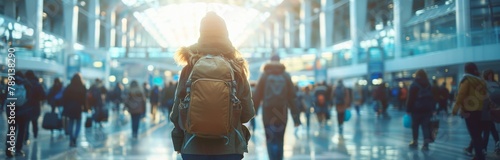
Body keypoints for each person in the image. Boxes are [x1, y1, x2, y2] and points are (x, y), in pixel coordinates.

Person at [170, 12, 255, 160]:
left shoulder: (190, 67)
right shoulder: (236, 68)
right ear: (225, 34)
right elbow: (247, 113)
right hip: (229, 149)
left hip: (193, 147)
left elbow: (177, 112)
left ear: (201, 34)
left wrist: (178, 143)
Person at [254, 55, 301, 160]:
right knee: (280, 139)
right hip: (282, 112)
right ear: (280, 61)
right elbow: (292, 98)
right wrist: (296, 118)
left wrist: (254, 111)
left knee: (270, 139)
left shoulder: (264, 75)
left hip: (268, 112)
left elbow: (257, 95)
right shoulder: (286, 76)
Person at [452, 62, 487, 160]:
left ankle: (480, 157)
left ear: (466, 70)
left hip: (469, 111)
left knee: (474, 135)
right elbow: (485, 96)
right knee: (477, 135)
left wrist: (455, 110)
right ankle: (478, 155)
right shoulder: (481, 81)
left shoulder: (466, 80)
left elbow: (461, 95)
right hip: (480, 110)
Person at [406, 69, 436, 151]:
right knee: (426, 126)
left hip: (416, 110)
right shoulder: (428, 84)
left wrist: (408, 109)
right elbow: (432, 98)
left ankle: (415, 142)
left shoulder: (414, 85)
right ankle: (426, 145)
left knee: (415, 126)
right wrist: (433, 108)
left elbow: (411, 98)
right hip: (427, 110)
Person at [5, 71, 32, 157]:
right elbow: (30, 96)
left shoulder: (10, 83)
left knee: (11, 129)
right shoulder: (26, 83)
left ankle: (9, 149)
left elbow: (5, 95)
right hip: (22, 110)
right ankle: (18, 149)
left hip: (11, 108)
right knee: (21, 130)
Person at [62, 73, 87, 147]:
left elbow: (64, 97)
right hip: (78, 107)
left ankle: (71, 138)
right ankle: (75, 138)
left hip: (70, 107)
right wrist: (85, 108)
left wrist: (65, 106)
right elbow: (84, 99)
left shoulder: (69, 87)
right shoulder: (82, 87)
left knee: (71, 123)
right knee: (78, 123)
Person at [24, 70, 46, 144]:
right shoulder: (38, 84)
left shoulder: (24, 83)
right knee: (35, 122)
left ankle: (26, 138)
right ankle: (35, 135)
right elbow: (43, 96)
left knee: (25, 123)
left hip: (25, 106)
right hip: (35, 106)